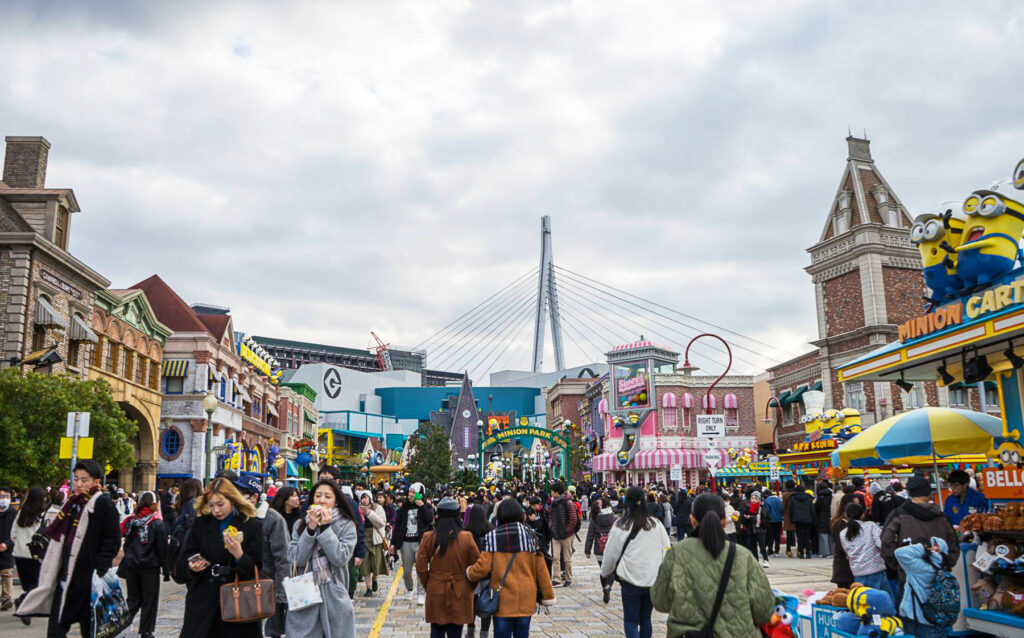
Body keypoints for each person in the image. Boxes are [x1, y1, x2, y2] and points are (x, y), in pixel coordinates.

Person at [16, 460, 121, 637]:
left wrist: (98, 567)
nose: (78, 484)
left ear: (96, 482)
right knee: (55, 630)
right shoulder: (72, 504)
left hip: (88, 583)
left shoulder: (103, 505)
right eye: (76, 479)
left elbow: (112, 541)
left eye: (84, 480)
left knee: (92, 631)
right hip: (66, 580)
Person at [652, 492, 775, 638]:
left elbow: (660, 601)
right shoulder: (743, 556)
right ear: (724, 522)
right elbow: (764, 611)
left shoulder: (676, 554)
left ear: (692, 520)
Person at [175, 478, 264, 638]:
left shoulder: (251, 524)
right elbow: (185, 556)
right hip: (204, 598)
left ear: (232, 499)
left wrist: (239, 554)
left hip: (237, 601)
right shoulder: (201, 524)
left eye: (220, 504)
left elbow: (256, 569)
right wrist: (192, 565)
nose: (216, 510)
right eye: (211, 505)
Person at [467, 499, 555, 638]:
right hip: (526, 597)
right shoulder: (532, 538)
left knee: (502, 634)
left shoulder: (493, 538)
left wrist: (469, 573)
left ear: (500, 515)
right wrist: (548, 595)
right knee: (522, 634)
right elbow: (542, 571)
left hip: (502, 599)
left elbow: (482, 568)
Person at [285, 479, 359, 638]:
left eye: (327, 496)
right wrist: (310, 530)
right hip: (304, 590)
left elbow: (340, 558)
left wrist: (325, 528)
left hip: (334, 589)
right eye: (318, 495)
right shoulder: (301, 524)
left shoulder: (347, 525)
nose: (322, 500)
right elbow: (296, 559)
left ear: (336, 501)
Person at [601, 487, 671, 638]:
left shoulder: (621, 525)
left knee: (631, 621)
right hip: (652, 578)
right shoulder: (656, 524)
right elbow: (667, 550)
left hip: (630, 579)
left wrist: (605, 572)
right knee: (646, 619)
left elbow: (610, 554)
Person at [416, 497, 480, 638]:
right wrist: (469, 585)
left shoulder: (428, 537)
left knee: (436, 630)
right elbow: (477, 566)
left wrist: (430, 583)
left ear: (438, 516)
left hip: (436, 587)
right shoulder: (467, 537)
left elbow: (420, 566)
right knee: (456, 631)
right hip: (460, 589)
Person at [881, 476, 959, 583]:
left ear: (909, 493)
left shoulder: (897, 516)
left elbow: (886, 542)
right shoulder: (942, 517)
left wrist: (899, 565)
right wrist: (945, 563)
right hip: (939, 577)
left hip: (908, 577)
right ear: (929, 493)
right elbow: (953, 544)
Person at [117, 491, 169, 638]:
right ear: (154, 504)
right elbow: (162, 549)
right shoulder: (157, 524)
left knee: (133, 599)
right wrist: (166, 571)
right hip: (149, 567)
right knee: (149, 600)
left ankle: (120, 625)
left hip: (131, 565)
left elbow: (126, 542)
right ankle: (146, 631)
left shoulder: (131, 521)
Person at [895, 537, 953, 638]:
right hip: (937, 617)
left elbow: (899, 552)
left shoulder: (919, 566)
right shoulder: (943, 567)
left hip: (916, 617)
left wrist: (923, 548)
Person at [391, 485, 435, 604]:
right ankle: (409, 589)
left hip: (420, 542)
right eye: (409, 492)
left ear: (420, 494)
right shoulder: (403, 508)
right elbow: (397, 526)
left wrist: (422, 506)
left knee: (421, 569)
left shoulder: (426, 506)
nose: (410, 494)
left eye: (413, 492)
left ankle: (421, 593)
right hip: (406, 542)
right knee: (406, 570)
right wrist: (393, 544)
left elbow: (430, 519)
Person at [838, 503, 890, 598]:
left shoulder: (843, 533)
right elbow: (880, 544)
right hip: (876, 569)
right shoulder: (870, 526)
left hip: (858, 572)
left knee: (862, 601)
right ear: (863, 515)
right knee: (882, 600)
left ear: (846, 516)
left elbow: (847, 552)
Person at [11, 486, 46, 623]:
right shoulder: (41, 516)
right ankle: (22, 602)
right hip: (35, 555)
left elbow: (13, 535)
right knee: (39, 583)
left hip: (19, 554)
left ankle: (26, 607)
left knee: (29, 584)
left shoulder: (20, 514)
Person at [464, 504, 493, 638]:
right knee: (486, 602)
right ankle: (484, 633)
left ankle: (470, 629)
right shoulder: (491, 530)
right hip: (487, 572)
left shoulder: (466, 531)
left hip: (471, 573)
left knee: (471, 602)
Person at [547, 481, 578, 587]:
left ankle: (568, 578)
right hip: (555, 534)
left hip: (566, 535)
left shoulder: (568, 502)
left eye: (551, 491)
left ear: (556, 492)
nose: (550, 493)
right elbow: (550, 516)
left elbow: (573, 519)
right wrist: (551, 526)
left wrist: (567, 530)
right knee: (555, 557)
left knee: (567, 558)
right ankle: (556, 578)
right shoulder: (553, 502)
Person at [358, 490, 388, 596]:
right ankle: (368, 588)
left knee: (375, 564)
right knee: (365, 565)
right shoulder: (357, 509)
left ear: (370, 498)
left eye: (365, 497)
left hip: (375, 539)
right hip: (363, 539)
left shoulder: (377, 508)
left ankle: (375, 579)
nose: (364, 500)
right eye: (362, 498)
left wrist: (370, 513)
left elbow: (381, 523)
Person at [787, 481, 815, 559]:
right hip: (808, 519)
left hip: (797, 519)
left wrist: (791, 519)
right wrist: (814, 519)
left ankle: (801, 552)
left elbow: (790, 510)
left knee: (799, 536)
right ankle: (808, 552)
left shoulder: (793, 498)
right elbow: (812, 509)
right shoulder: (809, 498)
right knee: (807, 536)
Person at [0, 486, 16, 612]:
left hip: (7, 548)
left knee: (6, 574)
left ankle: (6, 598)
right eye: (1, 497)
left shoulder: (14, 514)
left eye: (7, 497)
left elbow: (16, 533)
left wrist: (7, 544)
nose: (4, 499)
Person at [762, 489, 783, 556]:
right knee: (777, 537)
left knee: (770, 536)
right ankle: (777, 551)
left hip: (771, 521)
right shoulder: (779, 500)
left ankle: (770, 550)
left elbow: (766, 512)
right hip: (779, 520)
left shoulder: (767, 501)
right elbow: (782, 510)